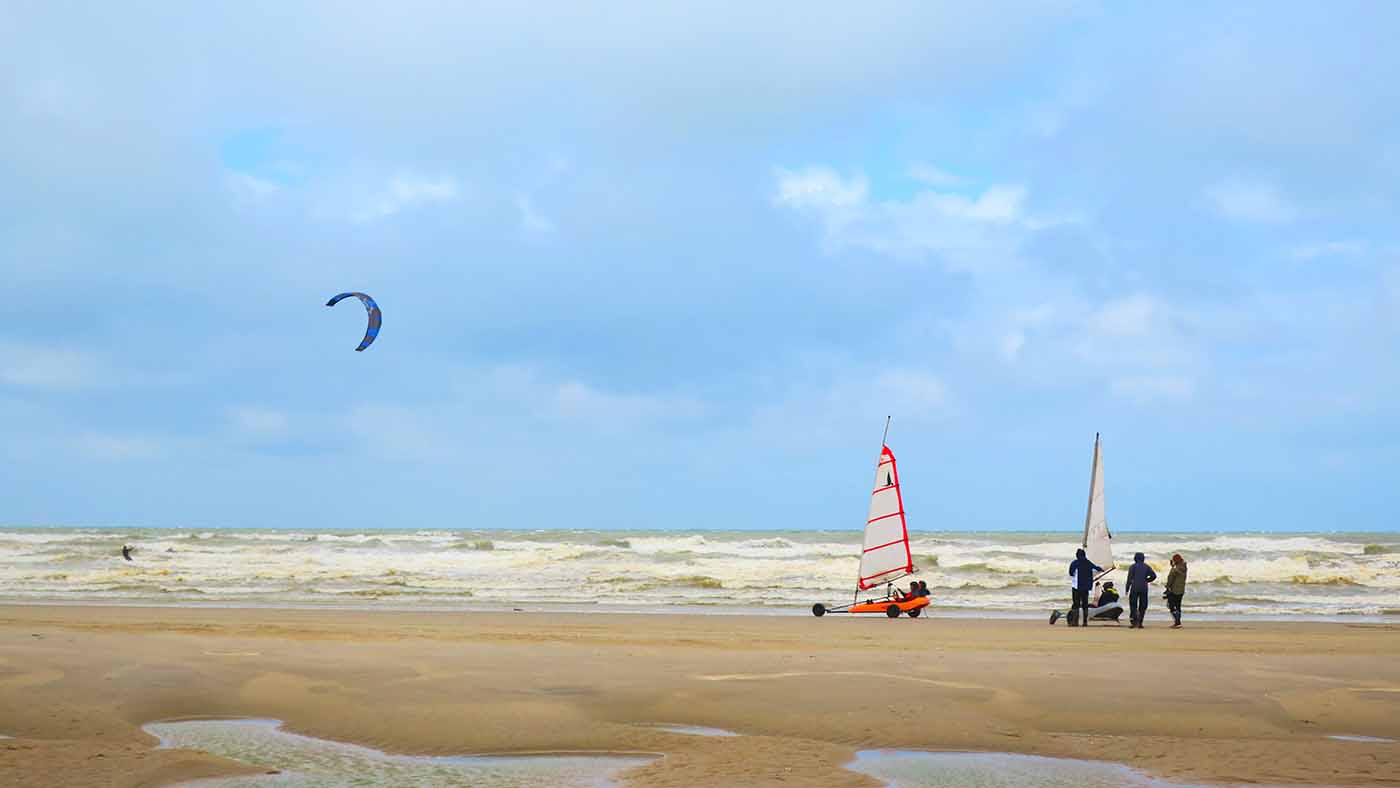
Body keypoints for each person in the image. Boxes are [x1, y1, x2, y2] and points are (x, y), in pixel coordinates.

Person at [1068, 548, 1102, 627]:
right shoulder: (1088, 563)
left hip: (1076, 587)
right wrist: (1101, 569)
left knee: (1076, 604)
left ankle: (1075, 622)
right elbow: (1097, 568)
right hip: (1086, 587)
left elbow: (1071, 573)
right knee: (1085, 605)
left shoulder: (1074, 563)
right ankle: (1085, 622)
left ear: (1077, 555)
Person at [1125, 552, 1158, 628]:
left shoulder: (1132, 567)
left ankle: (1134, 622)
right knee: (1143, 605)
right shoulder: (1147, 566)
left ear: (1135, 558)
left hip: (1134, 588)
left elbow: (1129, 579)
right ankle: (1140, 623)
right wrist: (1147, 580)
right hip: (1144, 588)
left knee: (1133, 605)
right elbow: (1154, 576)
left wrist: (1127, 589)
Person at [1164, 554, 1188, 628]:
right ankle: (1178, 622)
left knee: (1171, 606)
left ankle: (1177, 622)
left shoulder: (1175, 570)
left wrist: (1167, 587)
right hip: (1181, 590)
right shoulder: (1184, 568)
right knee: (1178, 606)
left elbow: (1170, 578)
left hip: (1174, 590)